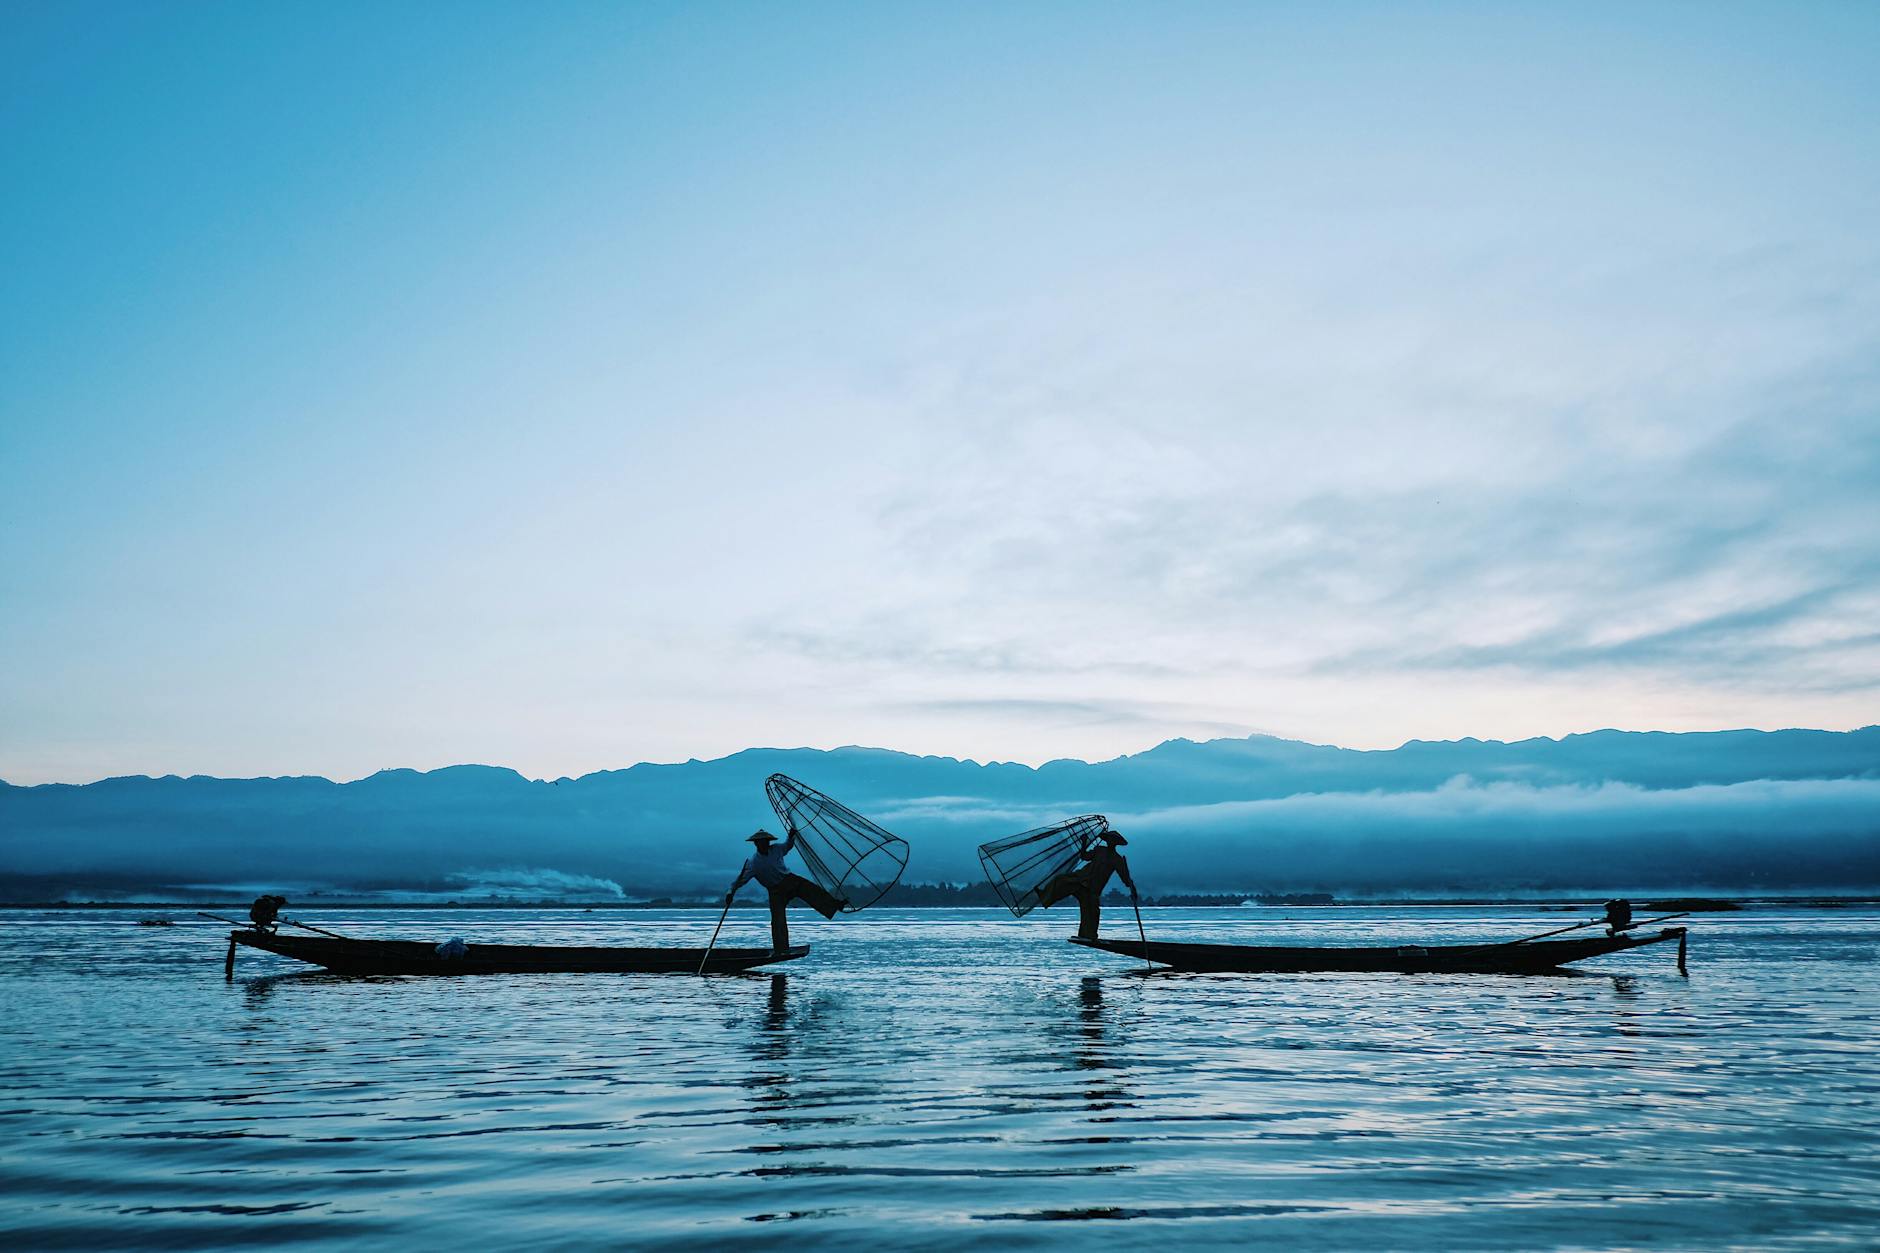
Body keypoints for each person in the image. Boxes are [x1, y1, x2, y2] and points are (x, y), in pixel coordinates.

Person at [728, 827, 844, 951]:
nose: (765, 844)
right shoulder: (753, 863)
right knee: (778, 920)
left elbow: (787, 846)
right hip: (775, 891)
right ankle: (781, 948)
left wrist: (791, 836)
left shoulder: (776, 849)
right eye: (761, 842)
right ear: (756, 844)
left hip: (789, 880)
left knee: (812, 890)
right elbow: (740, 881)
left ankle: (834, 905)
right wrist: (730, 892)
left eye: (766, 841)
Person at [1039, 828, 1137, 940]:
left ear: (1116, 843)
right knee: (1060, 880)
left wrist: (1133, 889)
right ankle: (1045, 897)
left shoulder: (1117, 859)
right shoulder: (1099, 850)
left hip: (1093, 888)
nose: (1110, 841)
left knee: (1091, 913)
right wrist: (1084, 842)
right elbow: (1084, 856)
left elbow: (1125, 877)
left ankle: (1088, 936)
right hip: (1080, 879)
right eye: (1109, 839)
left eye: (1112, 840)